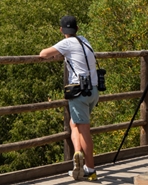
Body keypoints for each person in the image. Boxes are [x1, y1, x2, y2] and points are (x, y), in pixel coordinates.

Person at [40, 15, 99, 181]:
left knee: (84, 130)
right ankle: (78, 157)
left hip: (79, 92)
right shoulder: (84, 39)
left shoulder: (66, 43)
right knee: (74, 124)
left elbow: (43, 53)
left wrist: (57, 55)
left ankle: (91, 169)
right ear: (77, 29)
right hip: (93, 91)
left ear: (61, 30)